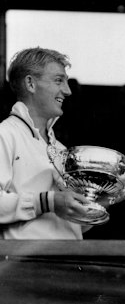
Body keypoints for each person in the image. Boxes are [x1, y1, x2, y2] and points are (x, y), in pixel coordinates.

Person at [0, 47, 95, 239]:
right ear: (30, 84)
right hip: (25, 264)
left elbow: (74, 225)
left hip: (71, 261)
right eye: (58, 80)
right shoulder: (5, 134)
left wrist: (102, 197)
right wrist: (48, 201)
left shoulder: (60, 149)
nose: (67, 91)